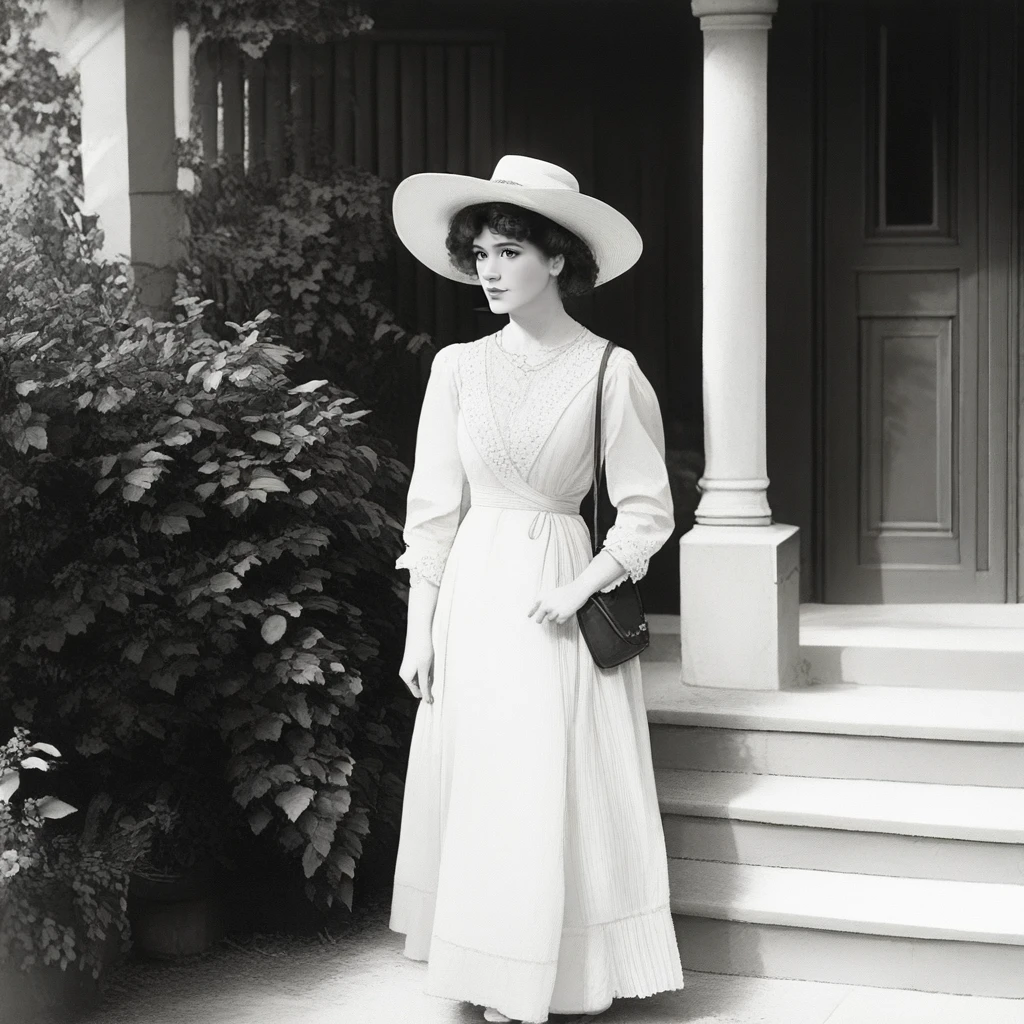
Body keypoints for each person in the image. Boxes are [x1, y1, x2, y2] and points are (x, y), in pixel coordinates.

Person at [389, 155, 684, 1024]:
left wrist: (580, 583)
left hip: (555, 598)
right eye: (479, 251)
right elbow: (433, 514)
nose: (488, 267)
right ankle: (482, 973)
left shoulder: (609, 370)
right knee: (483, 785)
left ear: (557, 260)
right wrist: (419, 632)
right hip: (475, 597)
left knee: (542, 788)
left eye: (509, 250)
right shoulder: (455, 367)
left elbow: (647, 512)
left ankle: (542, 982)